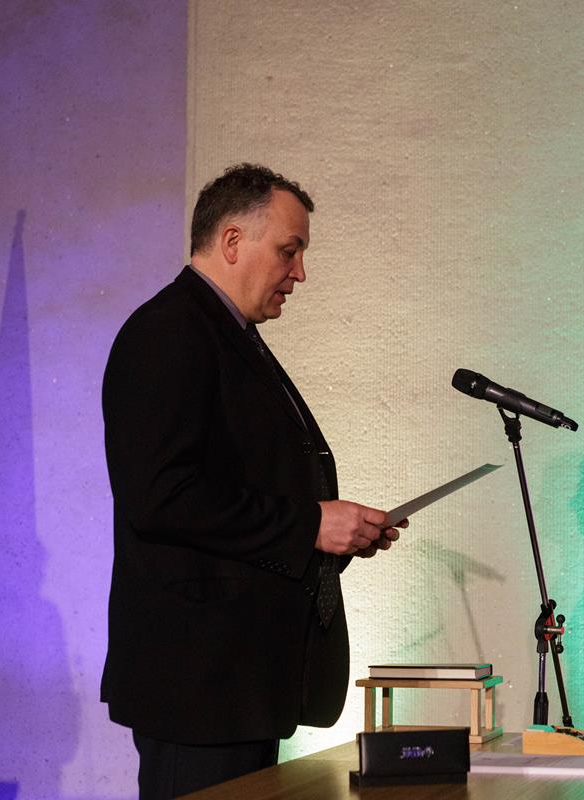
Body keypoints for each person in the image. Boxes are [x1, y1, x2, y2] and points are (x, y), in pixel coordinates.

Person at [101, 163, 405, 799]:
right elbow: (160, 497)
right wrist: (310, 524)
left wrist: (336, 535)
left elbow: (245, 487)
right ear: (233, 241)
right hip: (197, 686)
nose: (300, 273)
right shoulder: (168, 331)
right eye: (289, 251)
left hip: (238, 682)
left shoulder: (228, 336)